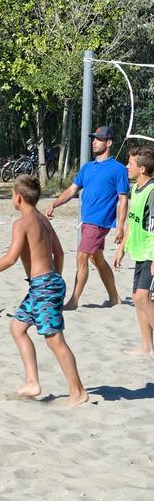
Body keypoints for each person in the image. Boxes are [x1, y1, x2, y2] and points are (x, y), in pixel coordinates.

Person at [0, 175, 88, 406]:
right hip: (45, 284)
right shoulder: (44, 221)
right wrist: (54, 276)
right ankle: (32, 382)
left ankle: (78, 391)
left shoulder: (22, 223)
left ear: (17, 197)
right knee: (17, 328)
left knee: (55, 340)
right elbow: (60, 253)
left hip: (44, 286)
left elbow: (10, 258)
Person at [45, 125, 128, 309]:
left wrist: (120, 227)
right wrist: (54, 203)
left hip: (99, 222)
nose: (94, 141)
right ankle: (114, 297)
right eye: (94, 138)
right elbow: (72, 190)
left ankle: (74, 301)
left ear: (109, 143)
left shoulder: (118, 169)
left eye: (98, 139)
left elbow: (123, 200)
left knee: (82, 256)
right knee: (96, 259)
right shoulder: (87, 168)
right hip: (87, 221)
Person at [113, 146, 154, 357]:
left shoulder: (152, 191)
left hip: (150, 253)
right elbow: (131, 222)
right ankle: (146, 346)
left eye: (130, 164)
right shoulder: (135, 189)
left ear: (143, 168)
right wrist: (121, 249)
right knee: (137, 297)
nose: (127, 167)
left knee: (142, 297)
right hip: (138, 252)